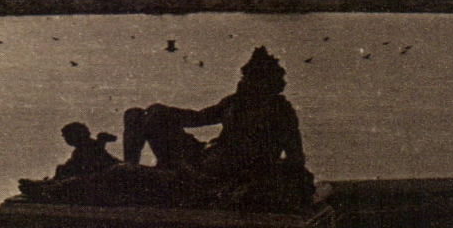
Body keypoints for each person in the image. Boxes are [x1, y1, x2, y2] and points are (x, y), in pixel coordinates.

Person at [121, 45, 314, 208]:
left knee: (155, 118)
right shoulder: (235, 102)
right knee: (139, 114)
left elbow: (294, 156)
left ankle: (135, 177)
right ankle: (130, 168)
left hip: (224, 173)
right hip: (207, 159)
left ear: (262, 82)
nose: (242, 82)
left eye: (247, 78)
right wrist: (164, 111)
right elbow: (199, 118)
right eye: (243, 77)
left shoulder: (281, 112)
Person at [52, 121, 121, 180]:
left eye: (68, 136)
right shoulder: (80, 149)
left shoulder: (87, 146)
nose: (66, 139)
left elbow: (78, 164)